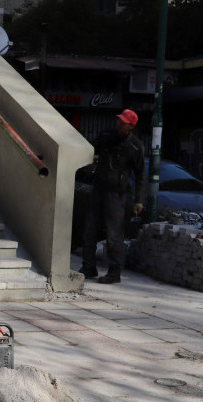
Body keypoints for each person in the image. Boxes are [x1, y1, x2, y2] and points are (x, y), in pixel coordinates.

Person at [79, 109, 145, 284]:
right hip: (99, 189)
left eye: (123, 122)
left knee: (114, 235)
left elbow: (140, 175)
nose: (119, 124)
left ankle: (114, 272)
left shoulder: (135, 146)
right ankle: (88, 266)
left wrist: (139, 200)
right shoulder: (106, 135)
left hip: (118, 195)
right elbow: (90, 149)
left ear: (131, 126)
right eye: (119, 120)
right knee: (90, 229)